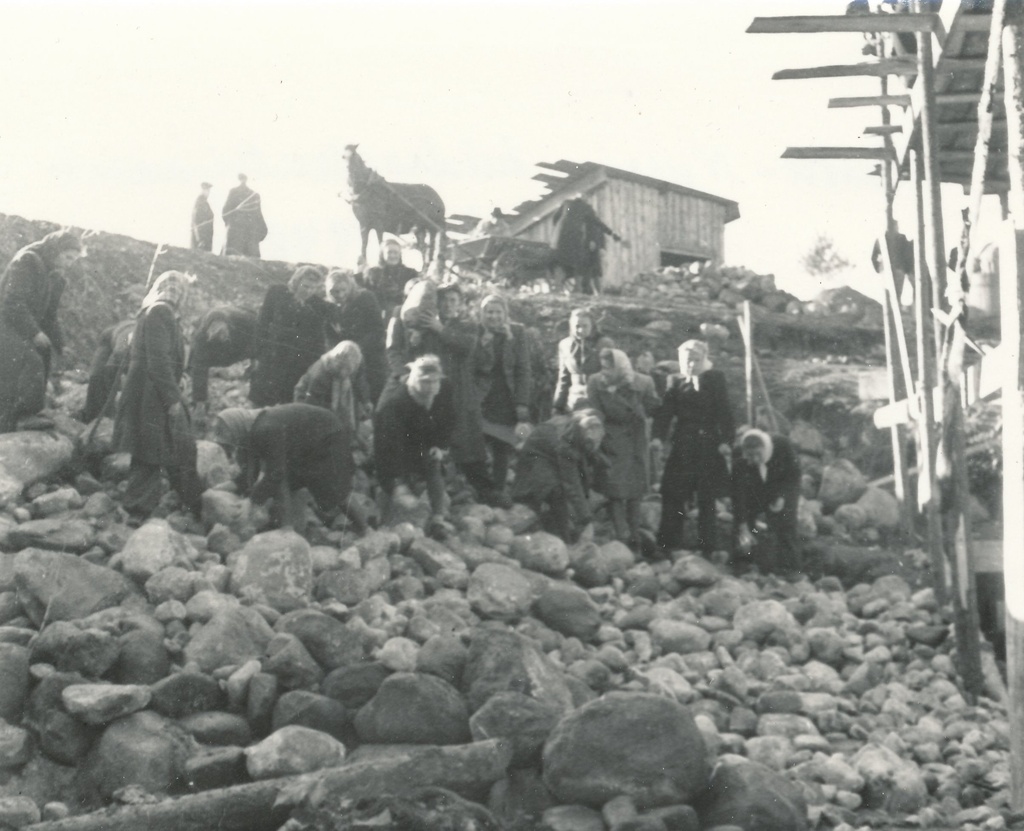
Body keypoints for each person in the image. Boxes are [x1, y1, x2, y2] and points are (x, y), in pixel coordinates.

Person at [112, 270, 202, 522]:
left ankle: (184, 501)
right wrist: (173, 399)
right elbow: (158, 362)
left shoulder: (158, 312)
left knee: (158, 446)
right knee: (152, 449)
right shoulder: (161, 312)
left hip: (150, 390)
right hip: (151, 393)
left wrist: (178, 379)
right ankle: (140, 510)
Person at [211, 404, 363, 533]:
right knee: (285, 482)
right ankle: (290, 528)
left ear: (237, 429)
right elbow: (248, 475)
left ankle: (365, 530)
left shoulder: (264, 429)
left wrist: (251, 501)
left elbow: (275, 473)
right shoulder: (247, 432)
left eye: (231, 439)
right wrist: (217, 489)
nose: (232, 445)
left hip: (327, 436)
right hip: (305, 443)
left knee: (335, 489)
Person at [652, 339, 734, 558]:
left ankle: (708, 546)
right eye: (687, 360)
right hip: (683, 443)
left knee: (707, 496)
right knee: (673, 492)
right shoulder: (675, 380)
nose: (691, 364)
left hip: (708, 443)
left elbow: (725, 411)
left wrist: (727, 440)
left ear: (704, 359)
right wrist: (658, 437)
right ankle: (669, 544)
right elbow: (665, 412)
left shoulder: (715, 378)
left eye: (695, 360)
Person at [586, 348, 660, 549]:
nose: (605, 372)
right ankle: (621, 533)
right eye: (603, 367)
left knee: (636, 487)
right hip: (612, 438)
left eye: (609, 368)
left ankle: (634, 533)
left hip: (636, 438)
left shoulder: (643, 382)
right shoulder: (595, 382)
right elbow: (594, 412)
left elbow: (655, 408)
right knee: (615, 488)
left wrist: (640, 406)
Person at [373, 355, 455, 532]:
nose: (431, 387)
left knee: (433, 463)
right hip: (399, 445)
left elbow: (448, 419)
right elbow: (385, 448)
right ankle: (383, 521)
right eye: (426, 382)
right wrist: (396, 485)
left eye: (435, 381)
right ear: (416, 380)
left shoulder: (445, 388)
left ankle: (438, 519)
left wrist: (440, 446)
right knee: (394, 487)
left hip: (424, 440)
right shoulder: (394, 404)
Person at [0, 228, 83, 387]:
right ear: (56, 250)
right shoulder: (28, 261)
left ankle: (30, 410)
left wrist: (61, 344)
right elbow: (12, 302)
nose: (69, 264)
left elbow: (49, 315)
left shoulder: (56, 276)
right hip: (5, 324)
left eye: (73, 260)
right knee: (30, 366)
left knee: (43, 358)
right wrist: (35, 333)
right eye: (67, 258)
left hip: (21, 328)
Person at [469, 293, 531, 507]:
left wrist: (522, 402)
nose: (493, 317)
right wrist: (483, 343)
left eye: (498, 312)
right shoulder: (475, 332)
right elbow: (470, 366)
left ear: (505, 314)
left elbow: (523, 369)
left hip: (506, 394)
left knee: (502, 446)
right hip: (482, 395)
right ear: (481, 314)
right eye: (489, 312)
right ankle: (479, 488)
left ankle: (498, 489)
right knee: (476, 442)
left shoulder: (517, 332)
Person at [511, 408, 605, 544]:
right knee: (556, 490)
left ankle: (563, 531)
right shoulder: (565, 443)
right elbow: (571, 482)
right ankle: (563, 539)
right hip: (535, 459)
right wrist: (586, 520)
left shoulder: (578, 428)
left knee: (561, 491)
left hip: (549, 455)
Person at [249, 266, 330, 406]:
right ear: (296, 281)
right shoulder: (277, 293)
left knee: (287, 404)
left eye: (313, 288)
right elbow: (262, 324)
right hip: (271, 357)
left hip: (296, 363)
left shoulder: (319, 305)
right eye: (305, 286)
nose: (309, 291)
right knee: (261, 401)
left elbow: (318, 338)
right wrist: (256, 354)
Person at [732, 428, 802, 576]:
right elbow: (738, 494)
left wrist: (782, 496)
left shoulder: (782, 444)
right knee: (744, 521)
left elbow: (794, 474)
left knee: (786, 522)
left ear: (765, 448)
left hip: (782, 485)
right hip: (756, 487)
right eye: (750, 455)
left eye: (758, 454)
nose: (755, 459)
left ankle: (789, 567)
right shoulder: (738, 455)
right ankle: (744, 561)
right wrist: (743, 526)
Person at [188, 306, 258, 432]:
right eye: (218, 336)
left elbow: (261, 334)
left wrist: (255, 360)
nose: (222, 337)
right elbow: (200, 369)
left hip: (243, 341)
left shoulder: (244, 319)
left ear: (227, 328)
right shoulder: (201, 338)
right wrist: (200, 402)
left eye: (223, 334)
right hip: (220, 352)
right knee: (195, 364)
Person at [323, 269, 387, 404]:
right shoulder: (328, 306)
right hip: (345, 360)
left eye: (343, 290)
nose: (340, 294)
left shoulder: (365, 297)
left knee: (374, 397)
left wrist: (356, 349)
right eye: (334, 291)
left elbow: (378, 329)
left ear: (350, 286)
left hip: (370, 356)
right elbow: (329, 333)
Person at [551, 196, 625, 295]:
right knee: (578, 262)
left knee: (561, 262)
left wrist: (561, 226)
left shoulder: (567, 204)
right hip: (575, 235)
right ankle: (578, 288)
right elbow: (597, 222)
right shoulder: (586, 208)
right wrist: (612, 234)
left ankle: (558, 288)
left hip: (561, 236)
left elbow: (555, 218)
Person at [293, 340, 365, 430]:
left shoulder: (339, 372)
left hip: (324, 404)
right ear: (340, 365)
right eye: (348, 370)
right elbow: (312, 408)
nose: (349, 375)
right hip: (306, 406)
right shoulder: (320, 376)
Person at [553, 308, 607, 414]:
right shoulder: (565, 345)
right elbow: (564, 379)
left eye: (585, 326)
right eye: (577, 326)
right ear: (571, 327)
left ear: (592, 326)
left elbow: (611, 375)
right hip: (574, 402)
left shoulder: (604, 344)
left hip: (598, 401)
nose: (581, 330)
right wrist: (557, 406)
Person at [80, 319, 134, 423]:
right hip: (110, 337)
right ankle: (92, 417)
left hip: (123, 342)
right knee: (97, 377)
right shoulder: (125, 341)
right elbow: (113, 364)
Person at [365, 234, 418, 317]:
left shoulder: (410, 273)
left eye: (396, 252)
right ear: (382, 254)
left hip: (404, 314)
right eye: (389, 252)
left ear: (400, 254)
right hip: (378, 313)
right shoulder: (373, 273)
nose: (393, 256)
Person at [222, 174, 268, 257]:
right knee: (250, 262)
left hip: (235, 238)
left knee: (232, 261)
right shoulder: (254, 195)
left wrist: (229, 223)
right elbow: (259, 216)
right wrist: (263, 231)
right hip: (249, 238)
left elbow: (225, 213)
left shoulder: (234, 192)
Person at [190, 182, 215, 252]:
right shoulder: (200, 202)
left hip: (205, 239)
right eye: (208, 191)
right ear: (203, 190)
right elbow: (196, 221)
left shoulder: (205, 202)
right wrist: (199, 239)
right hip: (201, 241)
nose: (209, 193)